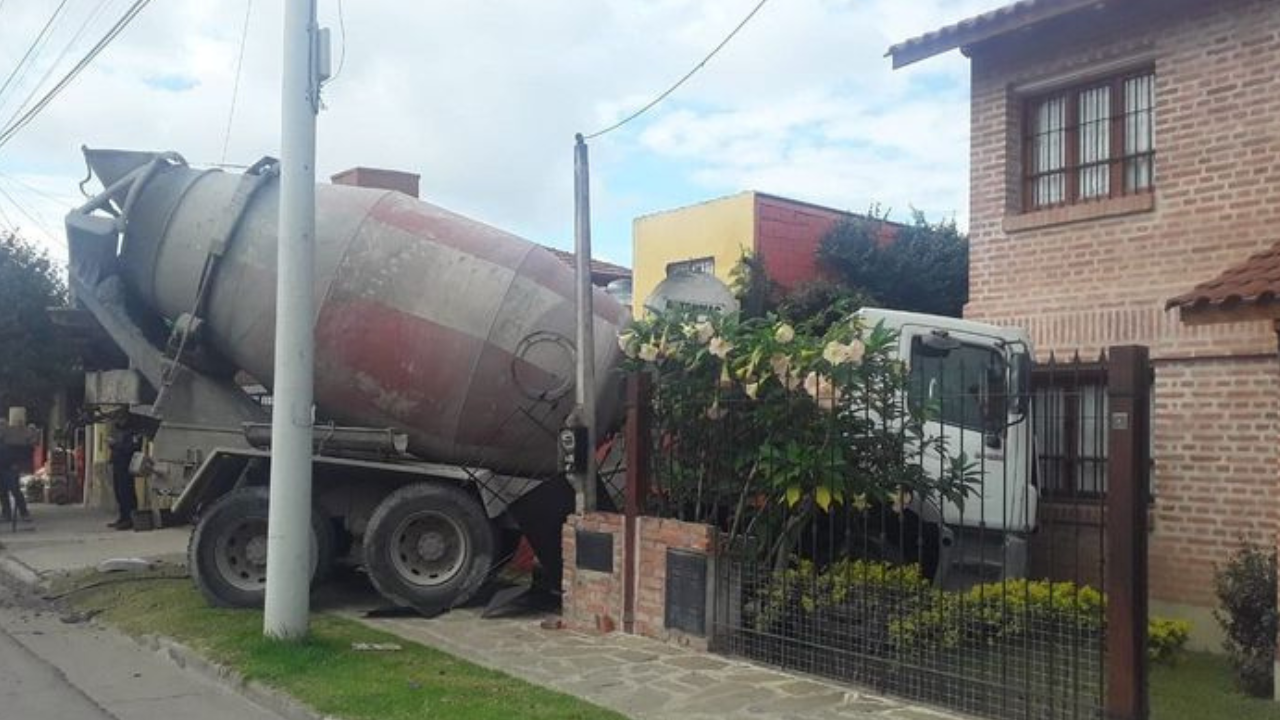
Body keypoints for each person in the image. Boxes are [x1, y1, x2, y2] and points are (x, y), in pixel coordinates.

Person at [108, 416, 140, 530]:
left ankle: (130, 519)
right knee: (119, 493)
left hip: (126, 466)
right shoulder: (117, 431)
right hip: (117, 464)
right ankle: (122, 517)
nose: (118, 421)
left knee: (127, 492)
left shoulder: (132, 432)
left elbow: (133, 447)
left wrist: (116, 445)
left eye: (121, 418)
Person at [0, 441, 31, 524]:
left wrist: (16, 465)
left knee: (15, 491)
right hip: (3, 469)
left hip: (10, 469)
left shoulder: (9, 443)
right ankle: (7, 514)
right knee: (3, 493)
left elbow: (19, 454)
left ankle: (24, 513)